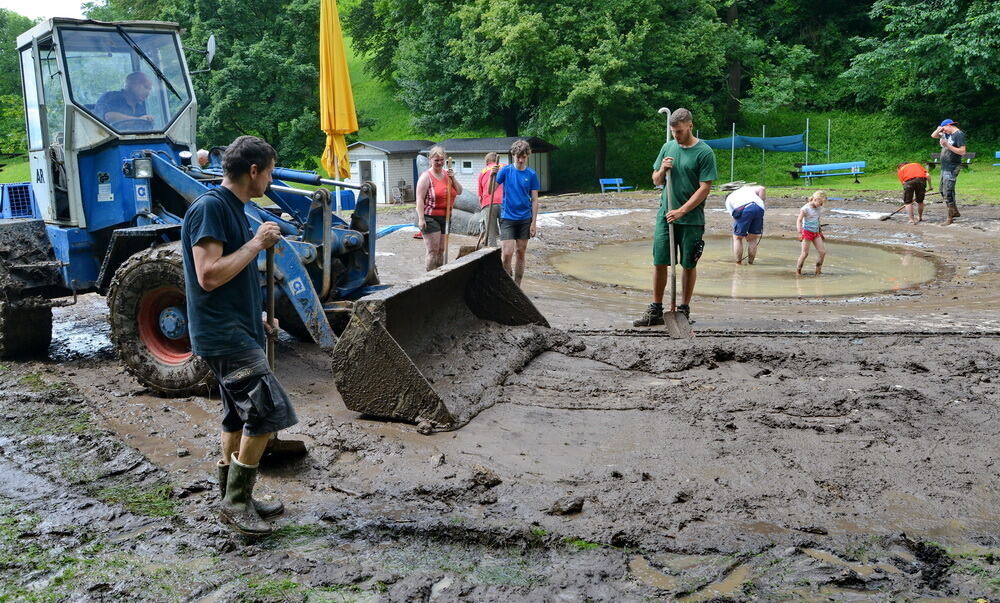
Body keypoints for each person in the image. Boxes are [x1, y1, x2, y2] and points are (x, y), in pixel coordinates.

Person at [181, 135, 297, 536]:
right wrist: (257, 242)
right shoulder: (211, 208)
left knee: (236, 415)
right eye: (269, 171)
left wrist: (259, 316)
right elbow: (209, 275)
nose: (270, 178)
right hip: (222, 334)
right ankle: (234, 503)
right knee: (266, 412)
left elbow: (234, 275)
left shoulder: (235, 208)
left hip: (238, 328)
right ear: (253, 171)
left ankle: (237, 498)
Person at [633, 108, 717, 326]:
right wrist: (662, 169)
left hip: (691, 218)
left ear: (690, 125)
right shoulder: (667, 147)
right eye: (673, 131)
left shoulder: (704, 152)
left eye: (679, 131)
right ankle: (656, 309)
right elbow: (656, 180)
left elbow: (705, 188)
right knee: (660, 261)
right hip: (665, 214)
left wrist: (683, 210)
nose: (676, 136)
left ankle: (683, 309)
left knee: (689, 264)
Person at [492, 139, 540, 286]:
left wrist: (534, 223)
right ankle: (507, 277)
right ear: (513, 155)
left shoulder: (531, 174)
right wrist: (492, 175)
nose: (520, 160)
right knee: (507, 252)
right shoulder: (505, 171)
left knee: (520, 252)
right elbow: (490, 191)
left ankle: (517, 285)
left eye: (523, 157)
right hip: (507, 217)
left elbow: (535, 200)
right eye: (518, 157)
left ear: (527, 156)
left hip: (525, 218)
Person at [415, 146, 462, 271]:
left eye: (441, 160)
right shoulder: (426, 177)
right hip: (430, 217)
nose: (439, 163)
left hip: (446, 217)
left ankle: (440, 275)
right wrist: (421, 219)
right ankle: (429, 279)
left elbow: (459, 191)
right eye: (436, 160)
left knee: (441, 250)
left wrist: (453, 178)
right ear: (430, 159)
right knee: (433, 251)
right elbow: (419, 199)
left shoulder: (448, 175)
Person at [930, 119, 966, 225]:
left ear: (949, 125)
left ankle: (950, 218)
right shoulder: (947, 134)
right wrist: (939, 129)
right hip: (944, 167)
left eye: (944, 128)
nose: (943, 131)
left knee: (948, 192)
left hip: (952, 167)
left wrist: (947, 145)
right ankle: (955, 211)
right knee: (942, 190)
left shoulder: (958, 135)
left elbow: (963, 152)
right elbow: (933, 135)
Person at [724, 185, 766, 264]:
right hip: (760, 207)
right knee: (753, 238)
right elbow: (762, 189)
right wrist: (761, 202)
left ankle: (738, 263)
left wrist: (743, 232)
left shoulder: (728, 200)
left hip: (744, 208)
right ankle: (751, 263)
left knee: (737, 238)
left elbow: (736, 217)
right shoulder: (746, 188)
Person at [477, 152, 505, 247]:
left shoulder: (483, 171)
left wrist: (482, 208)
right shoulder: (504, 167)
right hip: (504, 202)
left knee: (490, 233)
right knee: (506, 230)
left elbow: (480, 193)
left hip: (488, 202)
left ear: (487, 161)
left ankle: (493, 253)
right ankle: (507, 251)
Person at [796, 190, 827, 276]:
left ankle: (818, 271)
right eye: (820, 203)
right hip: (806, 232)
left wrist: (820, 232)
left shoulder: (819, 208)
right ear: (815, 199)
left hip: (816, 232)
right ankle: (798, 272)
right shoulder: (805, 208)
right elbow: (799, 220)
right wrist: (800, 232)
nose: (821, 205)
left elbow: (817, 220)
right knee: (805, 254)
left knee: (822, 252)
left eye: (822, 203)